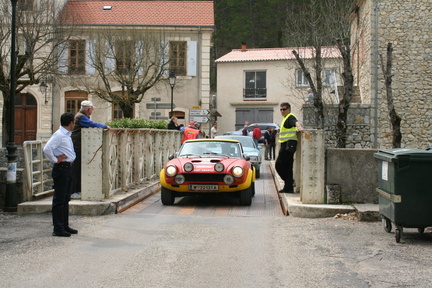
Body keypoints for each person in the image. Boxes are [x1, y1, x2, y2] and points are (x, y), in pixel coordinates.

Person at [43, 113, 77, 237]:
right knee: (59, 199)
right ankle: (58, 228)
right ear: (70, 123)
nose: (74, 124)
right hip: (62, 168)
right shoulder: (59, 135)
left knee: (66, 198)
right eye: (73, 122)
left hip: (67, 168)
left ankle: (64, 225)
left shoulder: (66, 135)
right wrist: (55, 159)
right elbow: (47, 149)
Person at [71, 101, 110, 199]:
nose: (92, 111)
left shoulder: (80, 116)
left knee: (78, 169)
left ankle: (77, 190)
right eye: (92, 109)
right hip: (77, 146)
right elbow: (91, 124)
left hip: (78, 146)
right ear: (88, 109)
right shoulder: (81, 117)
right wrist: (105, 126)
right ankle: (73, 191)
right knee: (76, 169)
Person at [275, 102, 303, 193]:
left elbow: (295, 122)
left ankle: (289, 183)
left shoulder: (290, 116)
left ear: (289, 110)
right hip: (287, 144)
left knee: (279, 165)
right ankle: (288, 187)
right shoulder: (285, 118)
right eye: (281, 109)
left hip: (288, 145)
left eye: (284, 109)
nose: (282, 111)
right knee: (288, 167)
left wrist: (299, 127)